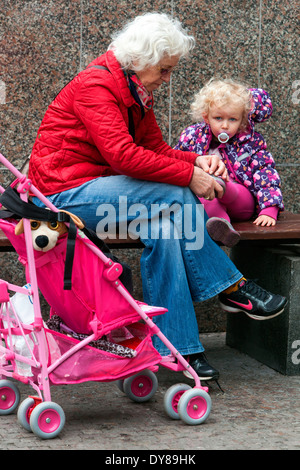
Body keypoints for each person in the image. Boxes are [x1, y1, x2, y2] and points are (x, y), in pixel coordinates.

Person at [28, 13, 287, 382]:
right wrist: (189, 175)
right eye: (164, 70)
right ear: (142, 60)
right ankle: (231, 287)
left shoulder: (134, 89)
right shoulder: (96, 85)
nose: (167, 79)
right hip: (60, 195)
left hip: (104, 191)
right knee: (177, 192)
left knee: (166, 231)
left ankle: (181, 353)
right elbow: (122, 155)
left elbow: (152, 148)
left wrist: (196, 159)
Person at [175, 78, 284, 247]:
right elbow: (177, 161)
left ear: (242, 120)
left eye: (232, 119)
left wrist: (270, 209)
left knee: (219, 185)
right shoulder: (193, 138)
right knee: (207, 194)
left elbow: (265, 173)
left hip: (240, 200)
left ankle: (221, 185)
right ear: (206, 117)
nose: (225, 125)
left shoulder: (250, 143)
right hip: (208, 196)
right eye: (218, 118)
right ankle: (223, 229)